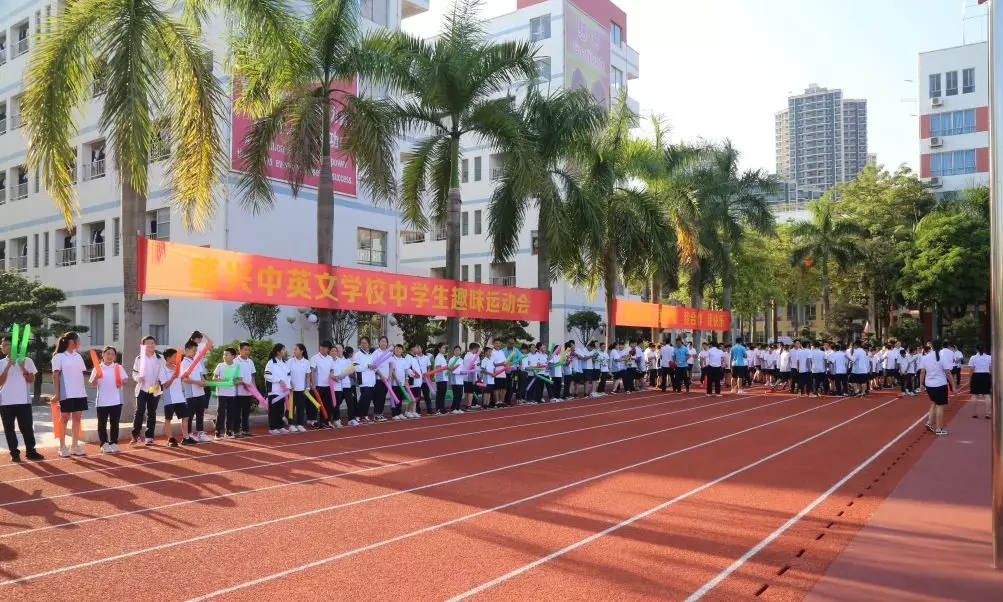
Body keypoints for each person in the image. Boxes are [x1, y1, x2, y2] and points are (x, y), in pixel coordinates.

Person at [0, 336, 43, 462]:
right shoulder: (1, 363)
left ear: (14, 346)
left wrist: (23, 367)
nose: (3, 347)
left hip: (23, 401)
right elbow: (0, 382)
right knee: (9, 429)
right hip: (5, 402)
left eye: (6, 344)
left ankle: (31, 451)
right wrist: (8, 366)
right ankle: (14, 453)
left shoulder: (27, 360)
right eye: (2, 345)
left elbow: (30, 380)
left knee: (27, 428)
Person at [53, 331, 89, 456]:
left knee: (77, 418)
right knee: (64, 418)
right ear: (71, 341)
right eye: (78, 340)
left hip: (80, 392)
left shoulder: (78, 356)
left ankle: (74, 446)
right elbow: (55, 376)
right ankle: (62, 447)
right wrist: (57, 394)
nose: (79, 342)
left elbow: (81, 373)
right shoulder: (59, 357)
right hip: (66, 392)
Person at [87, 345, 127, 453]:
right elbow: (93, 384)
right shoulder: (97, 368)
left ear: (115, 356)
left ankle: (113, 443)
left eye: (112, 354)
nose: (110, 356)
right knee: (102, 424)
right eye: (108, 353)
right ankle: (104, 443)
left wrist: (121, 382)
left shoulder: (118, 367)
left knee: (115, 423)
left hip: (116, 401)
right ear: (103, 354)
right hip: (102, 401)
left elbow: (125, 381)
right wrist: (97, 377)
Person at [130, 335, 163, 446]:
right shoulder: (139, 358)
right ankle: (135, 435)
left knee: (152, 412)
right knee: (139, 411)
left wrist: (159, 381)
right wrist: (138, 378)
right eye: (147, 343)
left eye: (152, 343)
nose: (150, 345)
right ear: (143, 345)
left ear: (155, 344)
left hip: (154, 389)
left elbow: (163, 373)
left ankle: (149, 436)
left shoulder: (160, 358)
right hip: (142, 389)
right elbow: (134, 373)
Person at [160, 349, 196, 446]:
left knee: (185, 417)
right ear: (168, 358)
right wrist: (172, 377)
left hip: (180, 397)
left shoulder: (178, 368)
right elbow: (165, 385)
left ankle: (186, 438)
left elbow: (182, 378)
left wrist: (185, 375)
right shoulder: (163, 370)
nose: (177, 359)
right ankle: (170, 439)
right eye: (175, 357)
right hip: (170, 399)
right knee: (168, 419)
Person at [919, 341, 955, 436]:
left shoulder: (925, 357)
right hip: (940, 384)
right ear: (941, 348)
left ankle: (930, 422)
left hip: (929, 384)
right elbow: (948, 372)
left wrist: (921, 384)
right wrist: (953, 386)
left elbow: (922, 372)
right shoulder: (942, 357)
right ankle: (939, 428)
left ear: (931, 347)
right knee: (940, 406)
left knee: (934, 402)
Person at [180, 341, 211, 443]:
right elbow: (184, 379)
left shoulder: (196, 361)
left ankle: (200, 433)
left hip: (200, 392)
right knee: (189, 415)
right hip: (190, 394)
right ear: (187, 350)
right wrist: (196, 382)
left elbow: (201, 375)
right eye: (193, 350)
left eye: (196, 350)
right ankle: (188, 434)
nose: (195, 352)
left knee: (200, 414)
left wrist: (203, 381)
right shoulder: (184, 363)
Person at [212, 347, 239, 439]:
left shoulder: (237, 367)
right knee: (221, 413)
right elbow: (214, 378)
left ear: (233, 356)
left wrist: (235, 382)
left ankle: (228, 432)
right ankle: (217, 432)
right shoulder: (220, 365)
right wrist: (222, 380)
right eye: (224, 354)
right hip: (221, 393)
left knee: (231, 413)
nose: (224, 356)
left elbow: (239, 380)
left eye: (227, 354)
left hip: (232, 393)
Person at [264, 343, 291, 434]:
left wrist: (288, 386)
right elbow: (267, 375)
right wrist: (278, 380)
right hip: (274, 390)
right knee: (273, 410)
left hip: (283, 391)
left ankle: (280, 426)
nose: (285, 351)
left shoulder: (285, 363)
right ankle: (273, 427)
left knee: (280, 409)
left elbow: (288, 376)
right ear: (278, 352)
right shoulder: (271, 362)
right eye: (283, 349)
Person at [310, 341, 336, 429]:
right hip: (318, 385)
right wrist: (313, 384)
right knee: (316, 405)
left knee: (327, 405)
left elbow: (332, 369)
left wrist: (332, 374)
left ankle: (324, 422)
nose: (322, 348)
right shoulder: (315, 358)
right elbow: (312, 371)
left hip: (328, 385)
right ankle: (313, 422)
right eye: (321, 346)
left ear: (328, 349)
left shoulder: (330, 358)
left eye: (324, 347)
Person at [234, 341, 257, 437]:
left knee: (246, 412)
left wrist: (254, 389)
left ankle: (245, 430)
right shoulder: (235, 361)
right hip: (238, 392)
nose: (247, 352)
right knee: (237, 412)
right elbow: (234, 377)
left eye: (248, 350)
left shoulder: (250, 361)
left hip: (249, 392)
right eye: (245, 350)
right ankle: (236, 431)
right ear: (239, 350)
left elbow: (252, 376)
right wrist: (243, 384)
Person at [287, 344, 312, 432]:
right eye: (294, 349)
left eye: (296, 349)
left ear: (301, 351)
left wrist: (307, 387)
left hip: (302, 389)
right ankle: (291, 425)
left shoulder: (306, 362)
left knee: (301, 408)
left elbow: (308, 376)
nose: (294, 351)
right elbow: (287, 374)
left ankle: (300, 425)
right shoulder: (290, 361)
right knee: (291, 408)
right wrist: (290, 384)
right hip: (291, 389)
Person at [353, 337, 376, 423]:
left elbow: (374, 366)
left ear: (369, 344)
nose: (363, 345)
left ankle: (365, 415)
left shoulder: (371, 354)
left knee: (369, 398)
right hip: (363, 380)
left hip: (371, 381)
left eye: (365, 343)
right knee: (363, 398)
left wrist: (374, 367)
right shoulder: (357, 355)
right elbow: (355, 368)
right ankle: (357, 415)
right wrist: (367, 366)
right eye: (362, 343)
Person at [969, 343, 992, 419]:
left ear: (976, 349)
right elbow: (991, 369)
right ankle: (988, 413)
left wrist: (970, 379)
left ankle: (974, 413)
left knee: (974, 395)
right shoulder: (989, 357)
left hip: (976, 376)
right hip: (986, 375)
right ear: (984, 349)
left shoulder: (973, 357)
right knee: (987, 395)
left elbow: (971, 369)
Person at [433, 342, 449, 415]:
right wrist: (446, 367)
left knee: (443, 394)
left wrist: (447, 368)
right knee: (440, 394)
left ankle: (442, 408)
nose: (444, 349)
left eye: (445, 348)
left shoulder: (443, 357)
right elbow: (437, 368)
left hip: (444, 378)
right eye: (443, 348)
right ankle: (439, 409)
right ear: (439, 349)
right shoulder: (438, 357)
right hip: (440, 378)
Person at [449, 345, 465, 413]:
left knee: (460, 394)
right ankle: (453, 408)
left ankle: (458, 408)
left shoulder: (461, 360)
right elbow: (450, 370)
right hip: (455, 380)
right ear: (454, 351)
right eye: (456, 350)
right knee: (456, 394)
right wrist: (459, 372)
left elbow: (463, 369)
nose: (457, 352)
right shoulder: (451, 359)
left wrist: (464, 372)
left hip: (461, 380)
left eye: (459, 350)